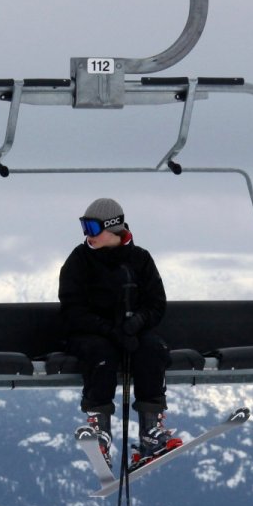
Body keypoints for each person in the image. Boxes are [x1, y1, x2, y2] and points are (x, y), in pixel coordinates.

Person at [59, 197, 178, 467]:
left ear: (112, 227)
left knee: (152, 349)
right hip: (89, 332)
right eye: (84, 227)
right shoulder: (80, 260)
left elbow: (156, 303)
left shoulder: (140, 259)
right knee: (100, 353)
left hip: (130, 332)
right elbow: (72, 308)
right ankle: (100, 428)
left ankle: (151, 431)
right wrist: (109, 330)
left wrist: (137, 322)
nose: (86, 235)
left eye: (91, 227)